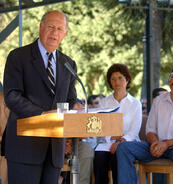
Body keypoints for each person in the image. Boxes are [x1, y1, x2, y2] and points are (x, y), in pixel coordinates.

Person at [3, 10, 80, 184]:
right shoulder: (18, 57)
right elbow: (12, 96)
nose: (55, 33)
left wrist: (75, 108)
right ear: (41, 27)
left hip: (54, 151)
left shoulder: (68, 63)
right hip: (24, 147)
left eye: (60, 29)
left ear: (65, 34)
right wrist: (43, 114)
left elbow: (70, 99)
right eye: (51, 27)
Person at [116, 66, 173, 184]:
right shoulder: (158, 101)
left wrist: (165, 144)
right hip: (156, 146)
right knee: (124, 147)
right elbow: (150, 130)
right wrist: (155, 143)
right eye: (172, 77)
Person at [93, 63, 142, 184]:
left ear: (127, 80)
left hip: (128, 143)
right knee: (99, 158)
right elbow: (101, 126)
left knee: (118, 158)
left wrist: (121, 141)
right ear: (110, 82)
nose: (117, 82)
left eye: (120, 78)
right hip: (107, 142)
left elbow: (134, 130)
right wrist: (111, 138)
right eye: (113, 79)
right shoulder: (104, 103)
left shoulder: (135, 103)